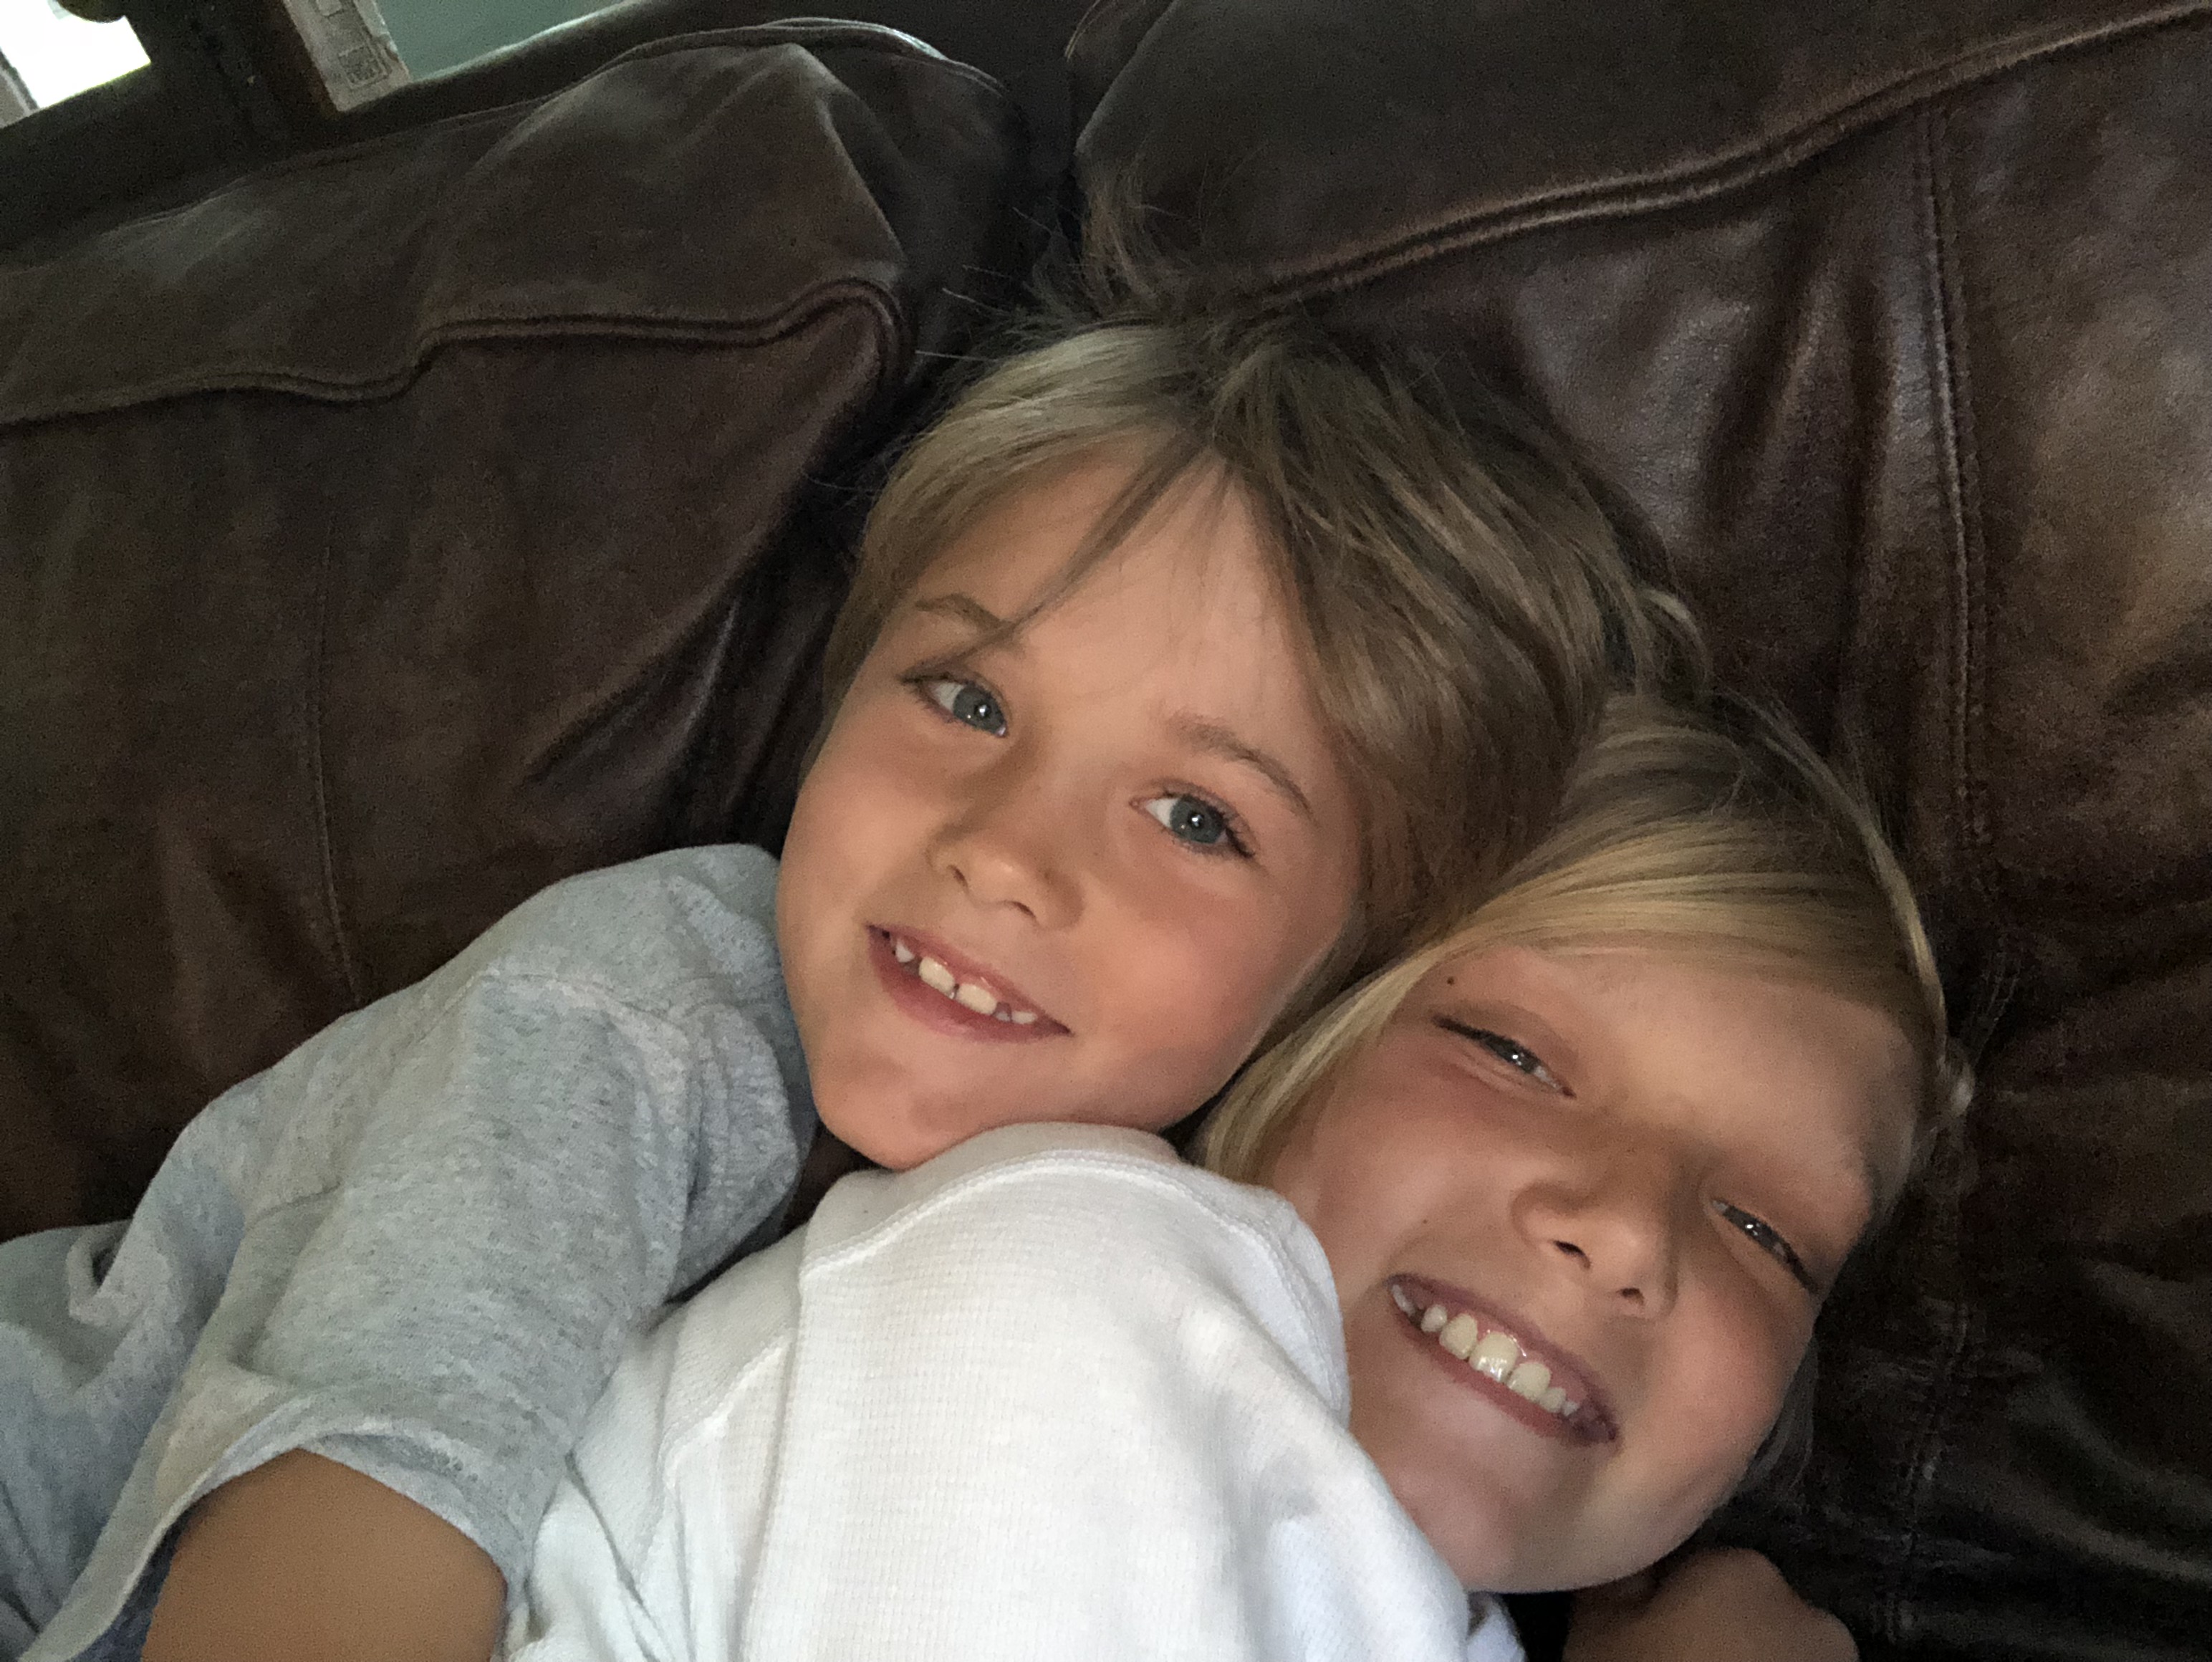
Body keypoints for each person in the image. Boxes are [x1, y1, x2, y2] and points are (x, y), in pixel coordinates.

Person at [1, 309, 1685, 1662]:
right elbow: (345, 1536)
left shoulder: (1162, 1276)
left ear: (1337, 977)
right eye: (965, 698)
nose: (1002, 849)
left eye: (1195, 816)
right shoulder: (635, 1013)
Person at [498, 689, 1970, 1661]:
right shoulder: (1065, 1286)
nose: (1627, 1230)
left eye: (1766, 1229)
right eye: (1511, 1055)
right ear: (1280, 1032)